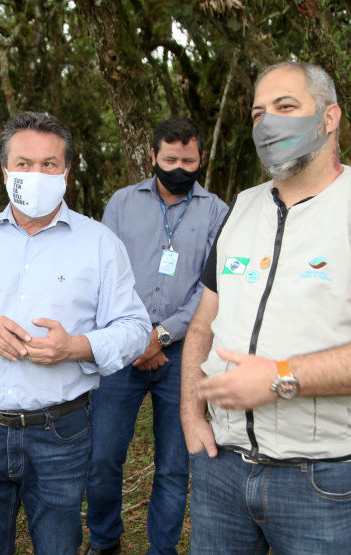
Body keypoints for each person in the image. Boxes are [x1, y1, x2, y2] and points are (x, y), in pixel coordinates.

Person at [179, 61, 351, 554]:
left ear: (330, 117)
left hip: (323, 479)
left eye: (286, 107)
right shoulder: (242, 209)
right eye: (257, 113)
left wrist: (279, 376)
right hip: (220, 468)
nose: (268, 122)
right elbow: (204, 323)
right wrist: (190, 410)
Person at [0, 111, 151, 554]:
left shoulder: (99, 243)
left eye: (49, 164)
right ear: (5, 172)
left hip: (61, 431)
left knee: (59, 546)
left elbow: (136, 328)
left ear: (66, 172)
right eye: (24, 163)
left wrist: (76, 347)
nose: (36, 174)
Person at [85, 116, 227, 555]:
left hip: (183, 354)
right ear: (152, 156)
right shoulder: (123, 203)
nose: (179, 167)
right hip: (122, 349)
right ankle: (105, 540)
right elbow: (105, 275)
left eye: (189, 159)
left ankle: (161, 549)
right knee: (103, 459)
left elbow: (212, 287)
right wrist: (136, 338)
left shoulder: (218, 212)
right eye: (170, 159)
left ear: (202, 157)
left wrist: (162, 335)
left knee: (173, 464)